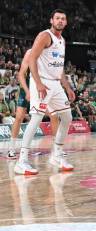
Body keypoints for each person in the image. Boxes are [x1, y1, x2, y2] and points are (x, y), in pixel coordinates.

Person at [14, 10, 75, 175]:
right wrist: (39, 83)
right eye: (57, 18)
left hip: (56, 85)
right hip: (41, 82)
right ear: (51, 20)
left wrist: (67, 87)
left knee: (67, 116)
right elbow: (32, 58)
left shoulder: (62, 41)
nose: (60, 21)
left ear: (66, 22)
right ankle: (22, 161)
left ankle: (56, 155)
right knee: (36, 118)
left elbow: (59, 68)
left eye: (63, 18)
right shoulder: (44, 36)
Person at [7, 49, 59, 160]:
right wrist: (27, 91)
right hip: (26, 88)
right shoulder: (30, 53)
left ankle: (56, 149)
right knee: (19, 117)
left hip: (40, 89)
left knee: (54, 115)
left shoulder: (49, 56)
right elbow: (21, 75)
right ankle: (12, 149)